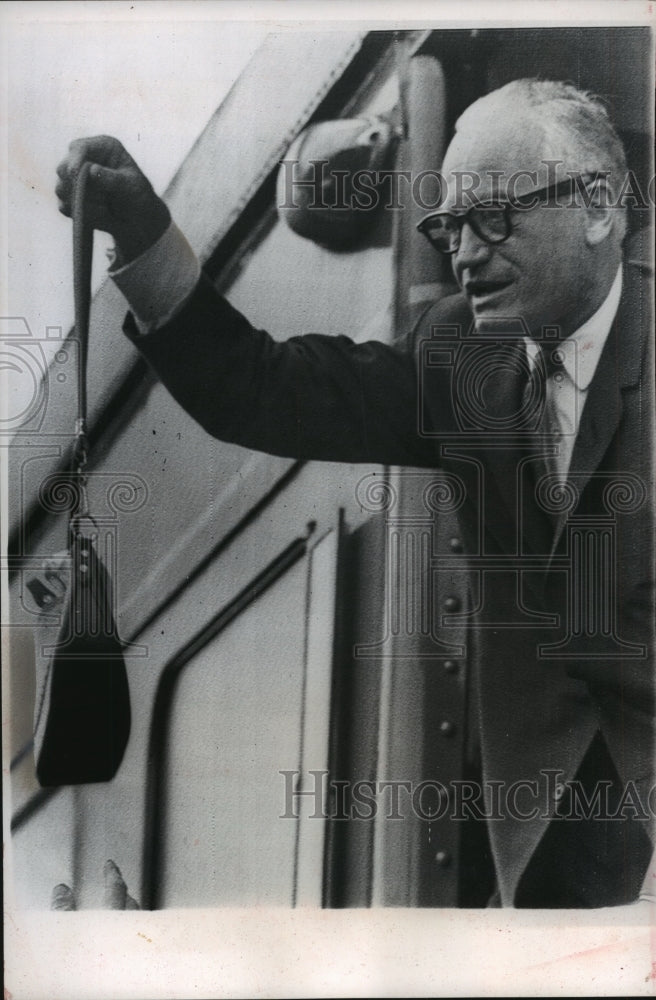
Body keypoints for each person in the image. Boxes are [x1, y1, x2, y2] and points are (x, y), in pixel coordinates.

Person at [55, 78, 655, 908]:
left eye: (495, 217)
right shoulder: (458, 354)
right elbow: (259, 388)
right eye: (449, 227)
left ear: (598, 205)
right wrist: (142, 232)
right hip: (549, 870)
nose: (466, 255)